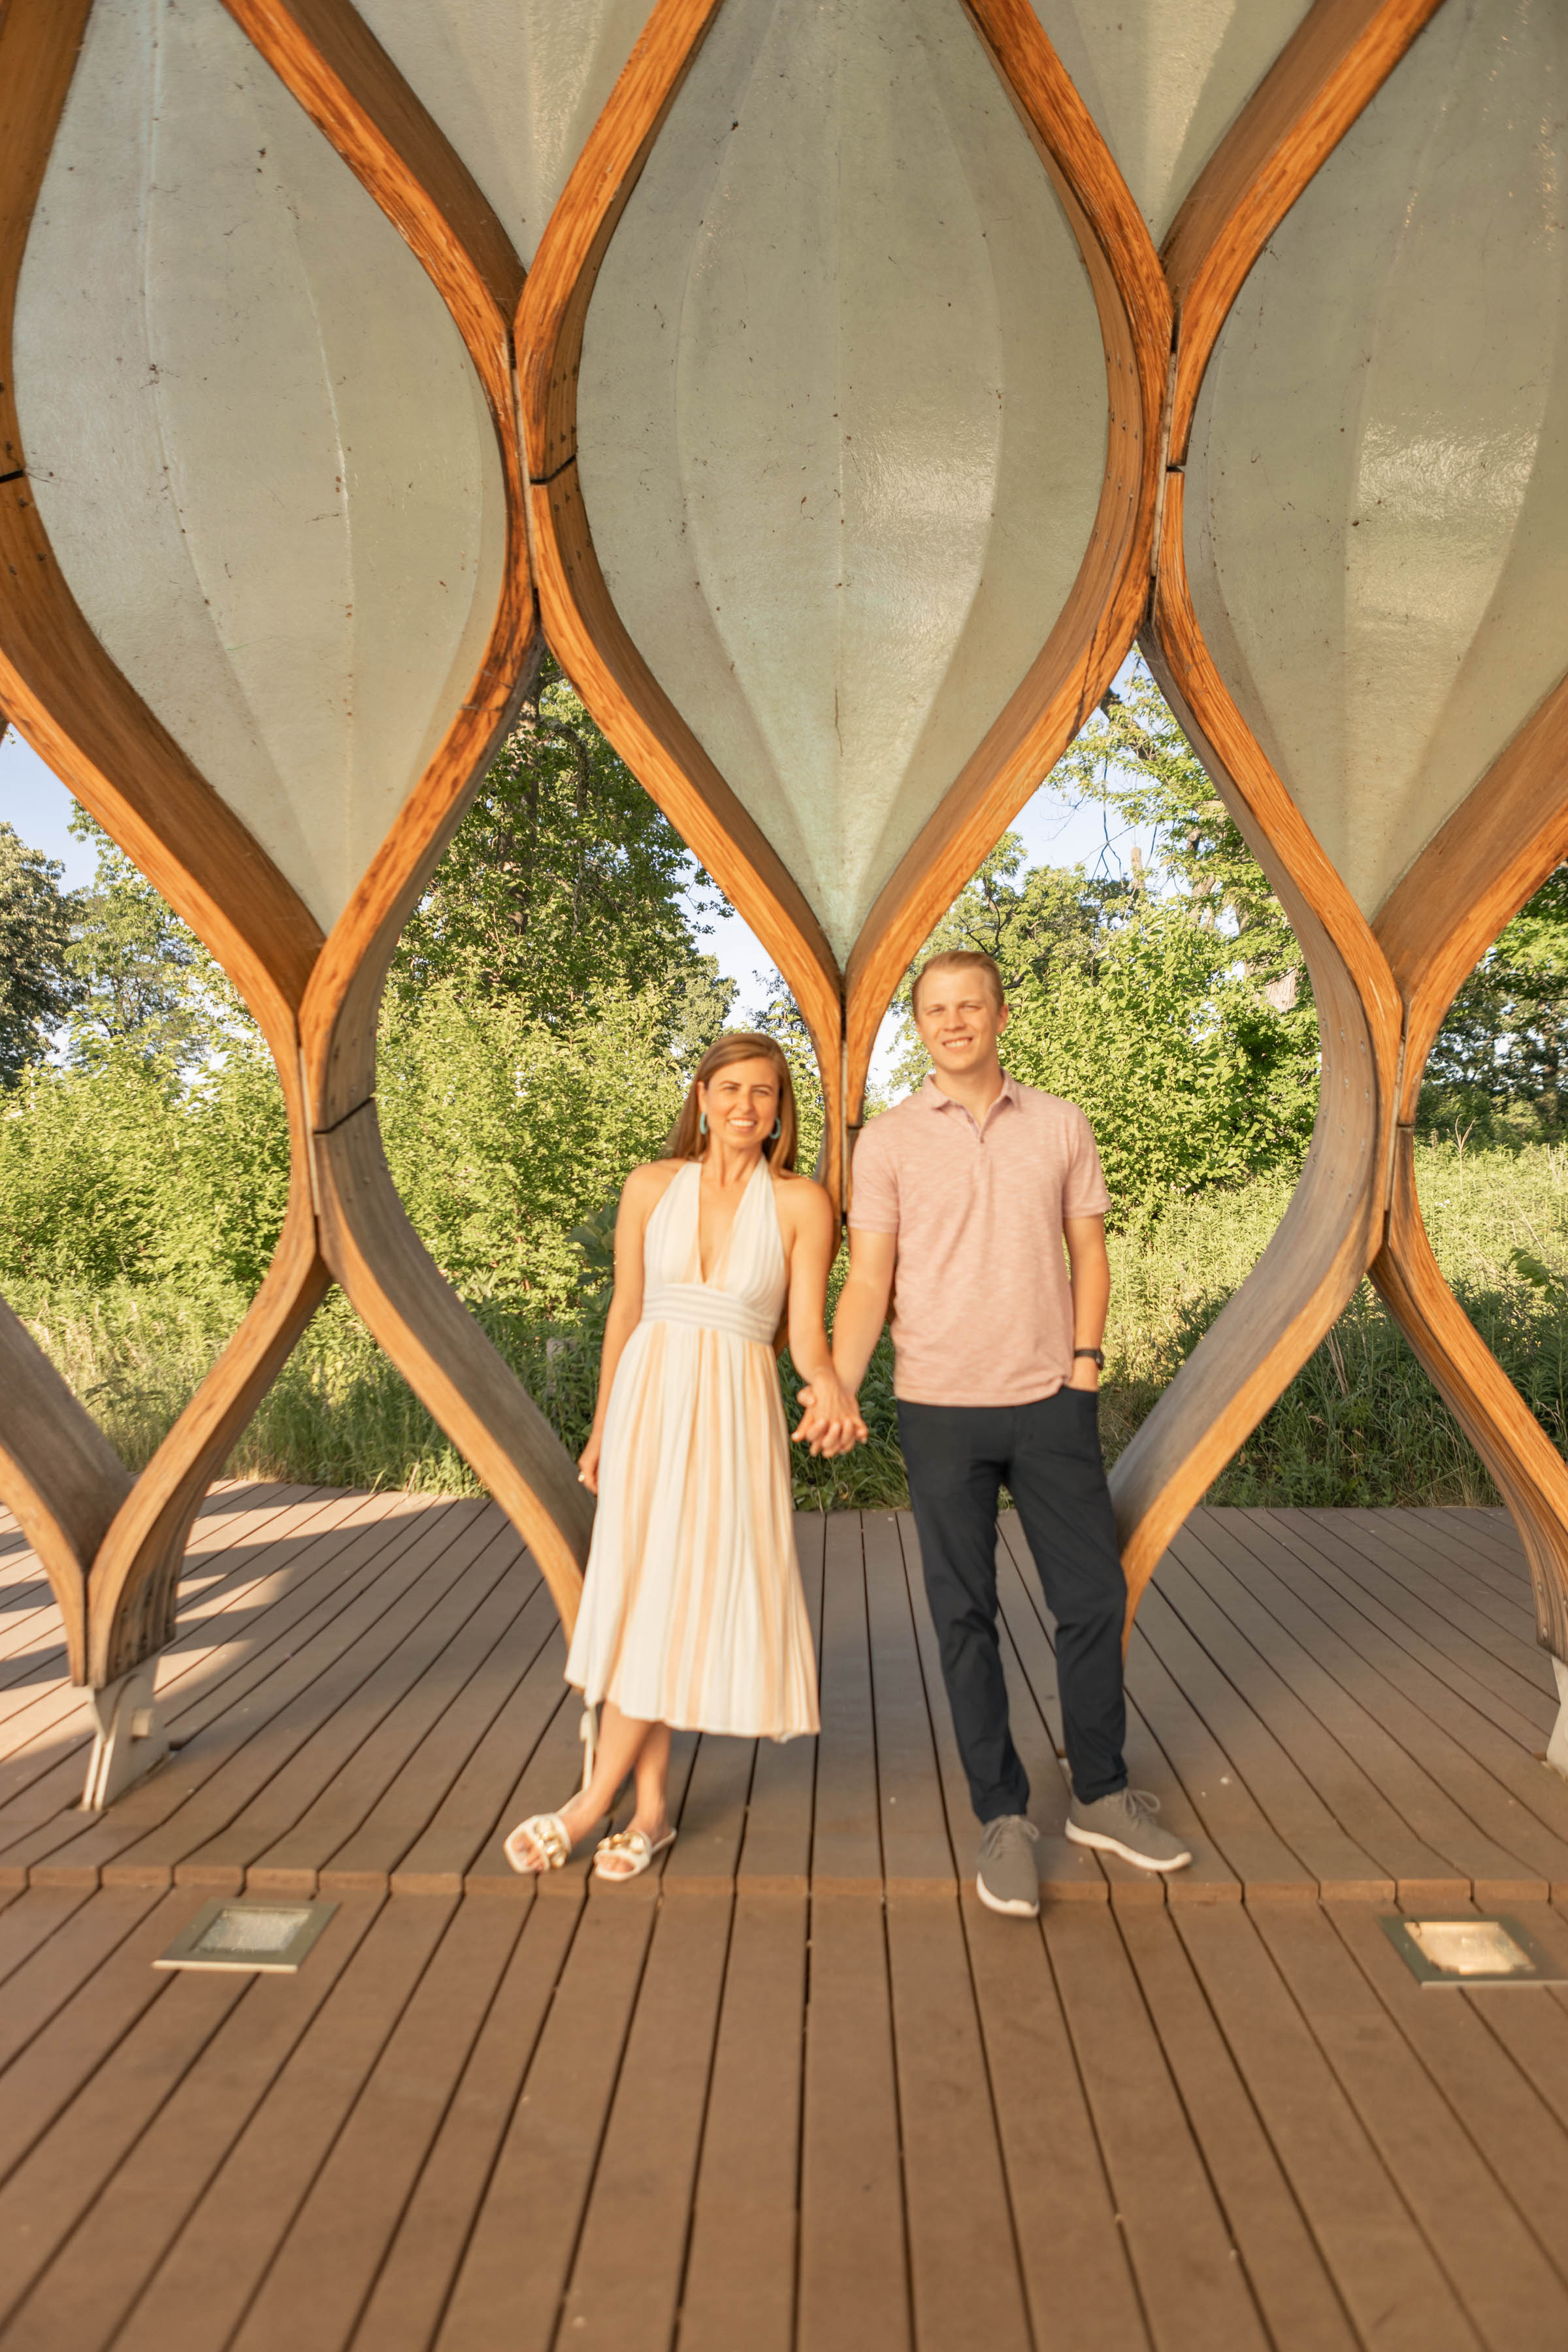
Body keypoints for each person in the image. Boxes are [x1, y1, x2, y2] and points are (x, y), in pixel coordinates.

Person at [825, 951, 1191, 1917]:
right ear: (921, 1026)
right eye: (937, 1010)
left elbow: (1090, 1253)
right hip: (938, 1407)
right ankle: (1004, 1817)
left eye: (970, 1005)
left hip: (1049, 1401)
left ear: (999, 1015)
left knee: (1091, 1598)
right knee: (963, 1615)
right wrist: (841, 1384)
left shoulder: (1061, 1123)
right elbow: (868, 1280)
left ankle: (1102, 1798)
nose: (955, 1022)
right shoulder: (891, 1142)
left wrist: (1084, 1366)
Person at [506, 1032, 864, 1882]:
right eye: (731, 1088)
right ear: (701, 1096)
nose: (747, 1106)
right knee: (643, 1599)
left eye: (765, 1093)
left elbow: (806, 1339)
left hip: (735, 1413)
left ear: (781, 1111)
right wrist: (601, 1427)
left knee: (676, 1596)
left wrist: (830, 1387)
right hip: (648, 1402)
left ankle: (591, 1804)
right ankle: (651, 1813)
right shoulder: (649, 1187)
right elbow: (626, 1311)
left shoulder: (802, 1204)